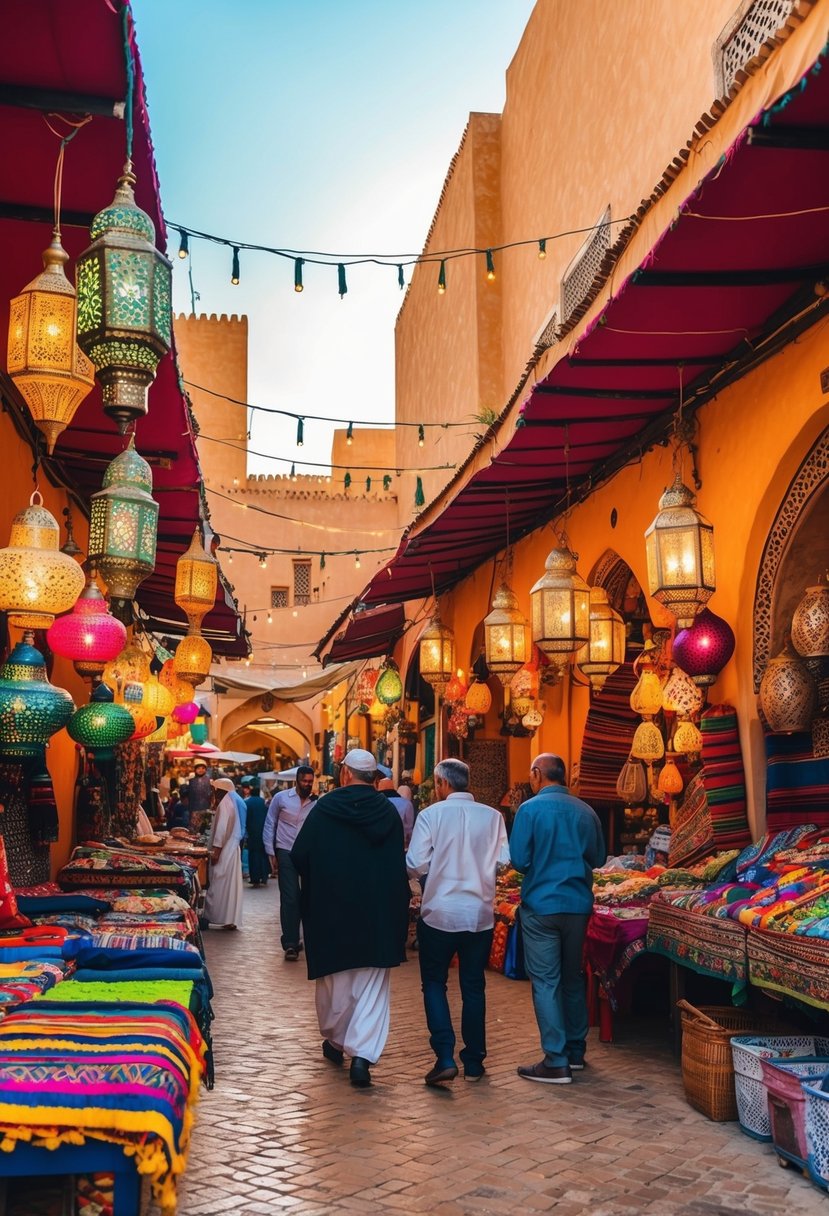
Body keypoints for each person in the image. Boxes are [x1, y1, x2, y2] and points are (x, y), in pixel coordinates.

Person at [291, 749, 410, 1088]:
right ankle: (362, 1055)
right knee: (371, 985)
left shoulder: (325, 808)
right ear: (373, 778)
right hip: (377, 912)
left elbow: (300, 854)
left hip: (332, 910)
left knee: (335, 983)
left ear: (344, 774)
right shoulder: (387, 813)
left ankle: (336, 1039)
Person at [406, 759, 510, 1086]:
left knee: (435, 983)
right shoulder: (493, 817)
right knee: (473, 985)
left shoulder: (431, 815)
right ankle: (475, 1062)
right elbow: (505, 863)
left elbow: (414, 862)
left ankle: (445, 1056)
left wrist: (432, 876)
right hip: (478, 914)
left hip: (439, 911)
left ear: (441, 783)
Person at [510, 753, 606, 1084]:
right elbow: (599, 857)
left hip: (541, 906)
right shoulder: (586, 811)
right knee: (572, 978)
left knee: (546, 982)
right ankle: (576, 1052)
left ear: (538, 774)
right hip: (577, 905)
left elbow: (519, 860)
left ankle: (556, 1059)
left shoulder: (529, 810)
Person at [263, 765, 316, 961]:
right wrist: (271, 851)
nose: (307, 785)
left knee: (309, 896)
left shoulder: (315, 803)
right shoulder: (281, 798)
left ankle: (308, 938)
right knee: (290, 896)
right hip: (285, 850)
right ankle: (291, 943)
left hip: (308, 853)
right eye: (304, 781)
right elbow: (270, 823)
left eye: (310, 782)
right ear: (297, 781)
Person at [203, 777, 244, 930]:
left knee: (219, 884)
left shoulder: (225, 804)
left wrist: (216, 851)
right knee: (229, 887)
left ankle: (215, 916)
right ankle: (229, 919)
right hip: (231, 849)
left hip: (225, 850)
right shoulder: (230, 802)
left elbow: (221, 830)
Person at [377, 777, 414, 848]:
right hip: (400, 845)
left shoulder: (376, 803)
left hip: (380, 845)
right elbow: (409, 829)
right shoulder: (407, 804)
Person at [245, 782, 269, 887]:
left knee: (253, 855)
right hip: (263, 832)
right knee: (263, 855)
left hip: (252, 833)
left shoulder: (247, 802)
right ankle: (264, 876)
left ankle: (255, 878)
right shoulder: (264, 802)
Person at [188, 760, 213, 831]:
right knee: (193, 830)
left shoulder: (210, 780)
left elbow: (212, 795)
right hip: (194, 809)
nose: (201, 770)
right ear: (195, 770)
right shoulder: (191, 780)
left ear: (206, 769)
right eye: (198, 768)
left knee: (206, 829)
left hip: (207, 809)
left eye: (203, 768)